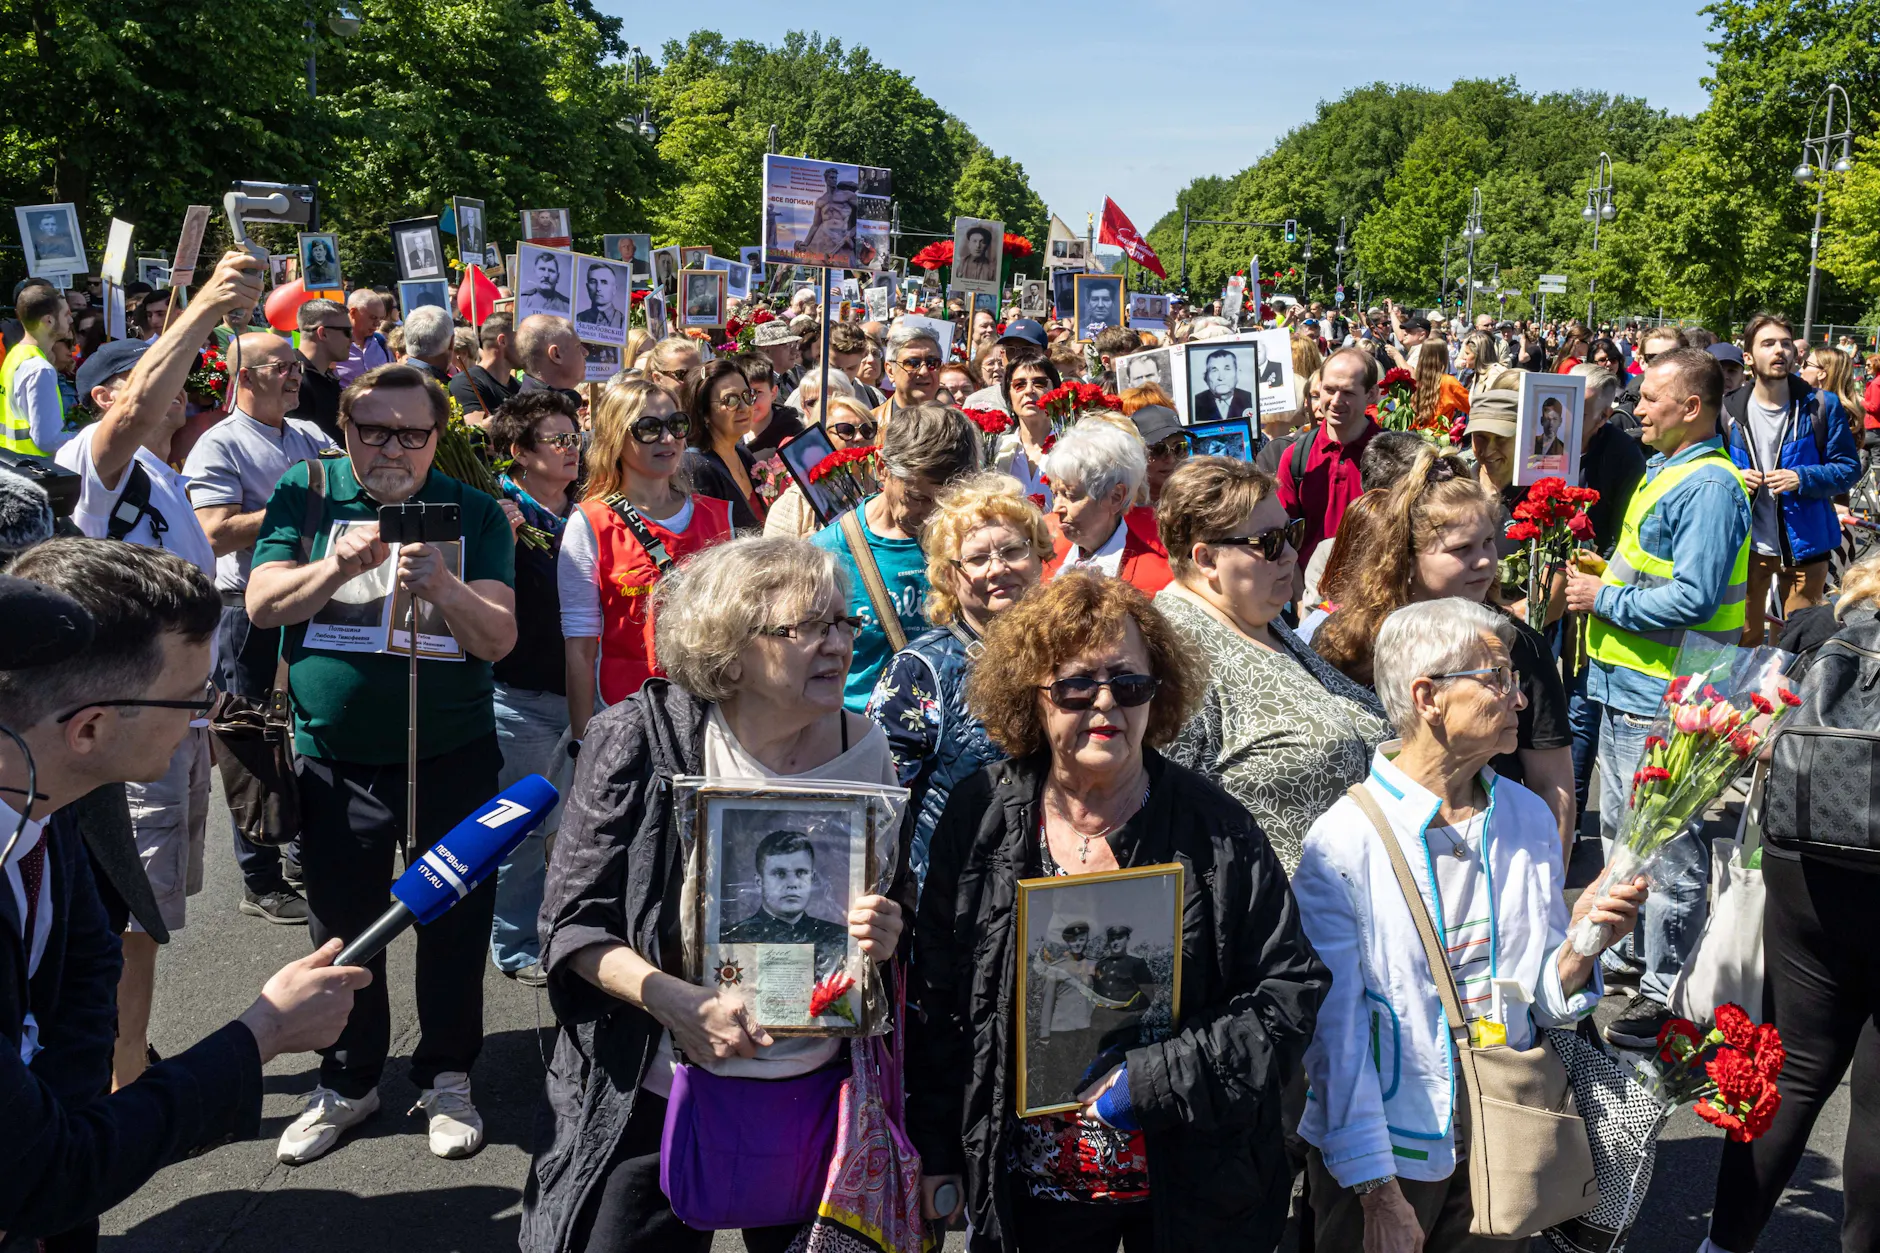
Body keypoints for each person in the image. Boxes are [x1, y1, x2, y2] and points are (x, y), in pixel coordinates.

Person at [907, 572, 1328, 1253]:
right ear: (1033, 694)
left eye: (1129, 684)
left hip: (1191, 1197)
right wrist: (937, 1148)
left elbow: (1287, 995)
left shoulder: (1214, 828)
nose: (1105, 704)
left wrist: (1159, 1077)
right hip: (1031, 1205)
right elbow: (942, 995)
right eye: (1077, 684)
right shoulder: (981, 813)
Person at [522, 537, 907, 1253]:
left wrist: (886, 927)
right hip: (657, 1090)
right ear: (732, 647)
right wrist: (671, 997)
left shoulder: (867, 744)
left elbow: (891, 905)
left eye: (844, 623)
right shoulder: (641, 737)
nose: (838, 644)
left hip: (814, 1096)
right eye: (809, 627)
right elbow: (568, 923)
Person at [0, 542, 370, 1245]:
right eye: (194, 700)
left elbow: (83, 989)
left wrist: (66, 1148)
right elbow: (44, 1173)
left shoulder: (50, 799)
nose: (206, 719)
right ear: (90, 728)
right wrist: (263, 1032)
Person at [1292, 598, 1646, 1252]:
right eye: (1497, 679)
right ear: (1427, 696)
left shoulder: (1524, 816)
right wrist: (1377, 1192)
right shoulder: (1342, 844)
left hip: (1503, 1122)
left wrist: (1583, 943)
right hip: (1388, 1148)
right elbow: (1335, 1040)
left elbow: (1535, 997)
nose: (1519, 699)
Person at [247, 363, 518, 1164]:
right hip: (334, 757)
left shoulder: (473, 512)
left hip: (451, 753)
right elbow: (263, 604)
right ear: (347, 432)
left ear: (437, 438)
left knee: (454, 920)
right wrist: (337, 566)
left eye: (411, 432)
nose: (392, 447)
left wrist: (446, 587)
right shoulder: (307, 490)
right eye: (374, 430)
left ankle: (446, 1073)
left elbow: (498, 638)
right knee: (343, 929)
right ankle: (350, 1077)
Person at [56, 255, 261, 1088]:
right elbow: (145, 401)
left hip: (174, 721)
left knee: (151, 907)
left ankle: (120, 1050)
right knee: (128, 911)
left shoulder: (163, 476)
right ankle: (122, 1070)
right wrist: (208, 306)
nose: (180, 394)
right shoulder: (92, 468)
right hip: (128, 722)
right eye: (150, 385)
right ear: (107, 395)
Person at [1563, 347, 1751, 1048]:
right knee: (1624, 839)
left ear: (1692, 408)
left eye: (1651, 398)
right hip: (1631, 681)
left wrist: (1601, 593)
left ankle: (1665, 990)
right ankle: (1630, 959)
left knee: (1664, 846)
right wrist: (1603, 573)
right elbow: (1655, 568)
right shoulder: (1670, 469)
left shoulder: (1707, 484)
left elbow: (1695, 595)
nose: (1634, 408)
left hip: (1667, 688)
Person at [1155, 458, 1390, 872]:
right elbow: (1167, 822)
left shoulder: (1262, 617)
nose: (1291, 553)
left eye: (1291, 532)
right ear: (1206, 559)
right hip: (1272, 917)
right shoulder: (1173, 652)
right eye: (1269, 542)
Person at [867, 474, 1050, 882]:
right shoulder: (919, 670)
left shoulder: (1070, 651)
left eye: (1013, 550)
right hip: (955, 892)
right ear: (950, 577)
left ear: (1038, 556)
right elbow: (878, 802)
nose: (998, 568)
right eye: (978, 559)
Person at [561, 377, 734, 743]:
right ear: (614, 437)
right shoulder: (589, 523)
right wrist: (582, 742)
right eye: (649, 429)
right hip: (627, 716)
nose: (668, 439)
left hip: (713, 714)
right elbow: (580, 647)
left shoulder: (721, 517)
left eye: (676, 424)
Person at [485, 391, 581, 986]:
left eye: (576, 437)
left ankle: (568, 929)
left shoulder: (592, 509)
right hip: (520, 698)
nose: (574, 449)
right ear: (519, 453)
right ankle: (516, 941)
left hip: (585, 693)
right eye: (559, 440)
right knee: (522, 827)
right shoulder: (498, 512)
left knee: (579, 823)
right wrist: (502, 540)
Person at [812, 402, 979, 712]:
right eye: (917, 497)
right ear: (881, 467)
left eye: (948, 501)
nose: (932, 514)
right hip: (861, 735)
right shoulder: (826, 553)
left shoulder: (974, 541)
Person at [1721, 314, 1860, 647]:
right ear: (1750, 357)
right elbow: (1710, 465)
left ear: (1796, 354)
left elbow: (1848, 468)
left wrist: (1804, 476)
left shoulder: (1820, 406)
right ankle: (1742, 701)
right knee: (1743, 639)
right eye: (1768, 344)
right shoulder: (1728, 410)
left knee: (1797, 644)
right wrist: (1733, 476)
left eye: (1785, 343)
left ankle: (1787, 699)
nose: (1779, 350)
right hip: (1747, 546)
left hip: (1806, 545)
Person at [1276, 347, 1381, 568]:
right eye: (1329, 390)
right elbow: (1282, 534)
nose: (1335, 401)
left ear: (1371, 394)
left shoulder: (1392, 456)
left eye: (1348, 392)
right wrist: (1297, 595)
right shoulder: (1296, 456)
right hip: (1310, 591)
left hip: (1375, 588)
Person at [1042, 418, 1172, 593]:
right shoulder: (1048, 558)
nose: (1057, 507)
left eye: (1070, 496)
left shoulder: (1154, 582)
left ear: (1116, 497)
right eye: (1055, 494)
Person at [763, 391, 874, 540]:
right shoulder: (795, 502)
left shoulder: (885, 483)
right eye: (846, 430)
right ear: (822, 436)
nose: (860, 437)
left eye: (867, 429)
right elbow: (772, 560)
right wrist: (804, 551)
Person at [681, 357, 766, 529]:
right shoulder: (696, 466)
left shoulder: (743, 454)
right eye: (730, 400)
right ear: (704, 412)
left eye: (747, 396)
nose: (744, 407)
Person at [1, 281, 74, 456]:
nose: (71, 320)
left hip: (15, 462)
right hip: (40, 471)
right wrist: (89, 436)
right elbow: (48, 441)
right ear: (48, 320)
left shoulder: (15, 354)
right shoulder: (40, 369)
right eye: (66, 314)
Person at [991, 346, 1063, 505]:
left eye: (1039, 383)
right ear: (1009, 395)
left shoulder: (1072, 446)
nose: (1029, 390)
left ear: (1055, 390)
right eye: (1019, 385)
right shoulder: (998, 450)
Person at [288, 297, 351, 442]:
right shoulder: (292, 380)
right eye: (347, 332)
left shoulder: (326, 376)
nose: (352, 339)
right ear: (323, 333)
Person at [448, 311, 522, 424]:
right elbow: (476, 434)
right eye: (522, 340)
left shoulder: (519, 388)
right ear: (502, 341)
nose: (527, 346)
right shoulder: (465, 383)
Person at [876, 322, 946, 423]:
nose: (924, 372)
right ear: (890, 371)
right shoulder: (870, 428)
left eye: (932, 363)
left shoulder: (959, 427)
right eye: (913, 363)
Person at [517, 314, 588, 402]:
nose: (586, 352)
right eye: (577, 346)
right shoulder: (544, 413)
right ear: (556, 354)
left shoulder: (524, 408)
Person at [1128, 404, 1188, 503]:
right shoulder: (1120, 512)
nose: (1171, 459)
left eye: (1180, 448)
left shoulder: (1198, 502)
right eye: (1158, 450)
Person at [332, 288, 392, 385]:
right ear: (353, 313)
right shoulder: (332, 346)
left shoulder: (381, 343)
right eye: (373, 318)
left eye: (380, 318)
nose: (377, 324)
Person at [1192, 346, 1254, 423]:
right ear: (1206, 377)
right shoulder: (1196, 403)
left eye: (1227, 369)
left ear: (1238, 373)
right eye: (1214, 370)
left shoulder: (1250, 399)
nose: (1221, 377)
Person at [576, 262, 628, 333]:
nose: (598, 288)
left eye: (604, 282)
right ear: (587, 287)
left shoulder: (623, 322)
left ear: (614, 289)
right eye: (593, 282)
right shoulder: (577, 319)